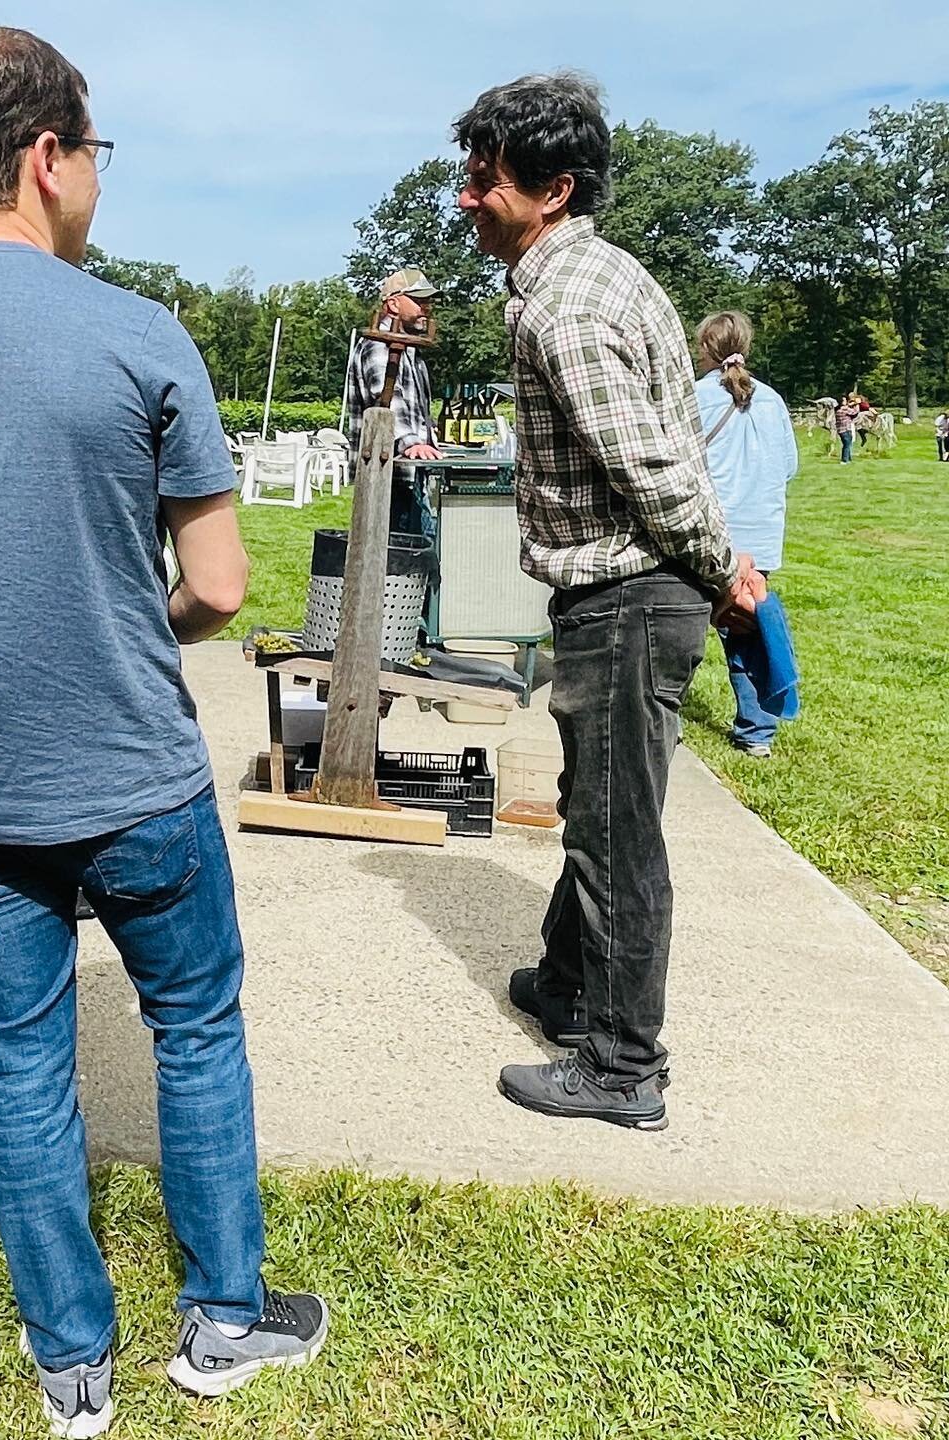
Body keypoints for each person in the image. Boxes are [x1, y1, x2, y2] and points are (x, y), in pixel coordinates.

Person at [0, 26, 326, 1437]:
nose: (96, 175)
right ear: (46, 159)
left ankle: (71, 1371)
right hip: (135, 775)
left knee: (26, 1066)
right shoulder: (140, 336)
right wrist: (117, 617)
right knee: (196, 1032)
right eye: (93, 151)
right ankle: (224, 1322)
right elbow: (217, 585)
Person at [453, 72, 760, 1131]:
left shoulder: (569, 308)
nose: (465, 197)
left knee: (617, 835)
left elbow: (654, 472)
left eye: (483, 178)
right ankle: (564, 983)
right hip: (634, 593)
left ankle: (624, 1069)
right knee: (602, 805)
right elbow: (673, 449)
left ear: (554, 187)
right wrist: (718, 567)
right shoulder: (597, 279)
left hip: (627, 595)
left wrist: (724, 570)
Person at [693, 312, 799, 758]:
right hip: (762, 532)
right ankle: (758, 731)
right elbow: (789, 465)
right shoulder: (772, 400)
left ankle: (663, 719)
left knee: (683, 626)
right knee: (746, 628)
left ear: (704, 349)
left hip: (712, 531)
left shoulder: (695, 398)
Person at [345, 268, 442, 534]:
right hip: (387, 477)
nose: (426, 308)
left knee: (416, 560)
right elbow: (386, 400)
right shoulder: (380, 345)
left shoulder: (409, 349)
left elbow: (414, 412)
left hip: (408, 477)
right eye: (418, 300)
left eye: (428, 301)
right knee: (396, 561)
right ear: (393, 303)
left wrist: (430, 442)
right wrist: (411, 442)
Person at [835, 394, 858, 463]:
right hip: (846, 429)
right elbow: (855, 412)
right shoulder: (844, 409)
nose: (846, 401)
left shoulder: (837, 409)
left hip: (840, 430)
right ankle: (844, 460)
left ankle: (848, 459)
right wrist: (857, 404)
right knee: (847, 445)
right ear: (842, 402)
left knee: (847, 444)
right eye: (845, 400)